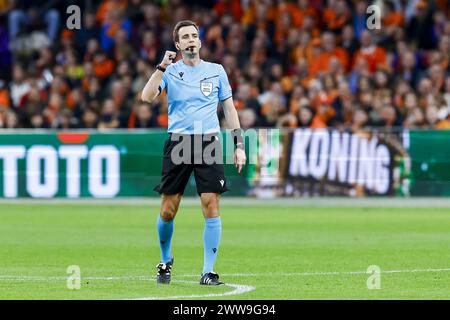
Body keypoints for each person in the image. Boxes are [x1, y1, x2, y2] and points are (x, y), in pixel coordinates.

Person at [141, 20, 246, 286]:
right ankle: (165, 261)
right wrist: (161, 66)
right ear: (178, 45)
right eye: (185, 37)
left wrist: (239, 145)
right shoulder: (170, 71)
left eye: (194, 36)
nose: (190, 40)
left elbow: (229, 109)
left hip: (208, 142)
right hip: (179, 143)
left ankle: (208, 272)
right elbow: (146, 97)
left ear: (199, 42)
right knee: (168, 209)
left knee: (211, 205)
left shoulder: (216, 71)